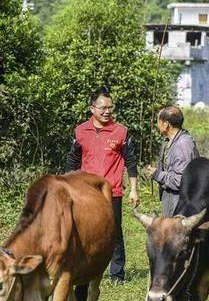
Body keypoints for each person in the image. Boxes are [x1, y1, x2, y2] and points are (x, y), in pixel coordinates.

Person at [66, 86, 138, 285]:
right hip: (85, 193)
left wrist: (133, 189)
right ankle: (86, 270)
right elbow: (72, 161)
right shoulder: (80, 131)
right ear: (92, 109)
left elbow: (131, 161)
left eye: (110, 108)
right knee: (84, 231)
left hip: (112, 191)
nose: (107, 111)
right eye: (103, 108)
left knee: (113, 232)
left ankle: (117, 275)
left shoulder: (121, 131)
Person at [145, 105, 199, 217]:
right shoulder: (169, 141)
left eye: (158, 121)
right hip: (171, 201)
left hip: (179, 205)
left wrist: (157, 175)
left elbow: (181, 180)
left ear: (166, 124)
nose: (157, 125)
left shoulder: (183, 144)